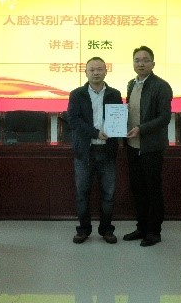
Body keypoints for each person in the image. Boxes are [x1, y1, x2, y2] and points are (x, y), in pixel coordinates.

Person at [67, 57, 123, 244]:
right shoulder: (77, 94)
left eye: (100, 69)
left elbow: (117, 119)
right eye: (92, 69)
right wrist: (95, 133)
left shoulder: (115, 94)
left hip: (107, 151)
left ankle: (106, 229)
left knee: (108, 193)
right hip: (85, 152)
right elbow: (73, 120)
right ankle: (83, 229)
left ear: (106, 71)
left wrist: (122, 121)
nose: (96, 72)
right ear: (86, 72)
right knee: (82, 193)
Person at [123, 46, 173, 247]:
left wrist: (141, 129)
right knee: (138, 189)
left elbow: (164, 117)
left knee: (153, 190)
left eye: (145, 60)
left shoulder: (161, 86)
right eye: (137, 60)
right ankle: (141, 227)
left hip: (151, 147)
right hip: (132, 145)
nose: (141, 63)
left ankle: (154, 232)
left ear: (153, 63)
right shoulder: (131, 84)